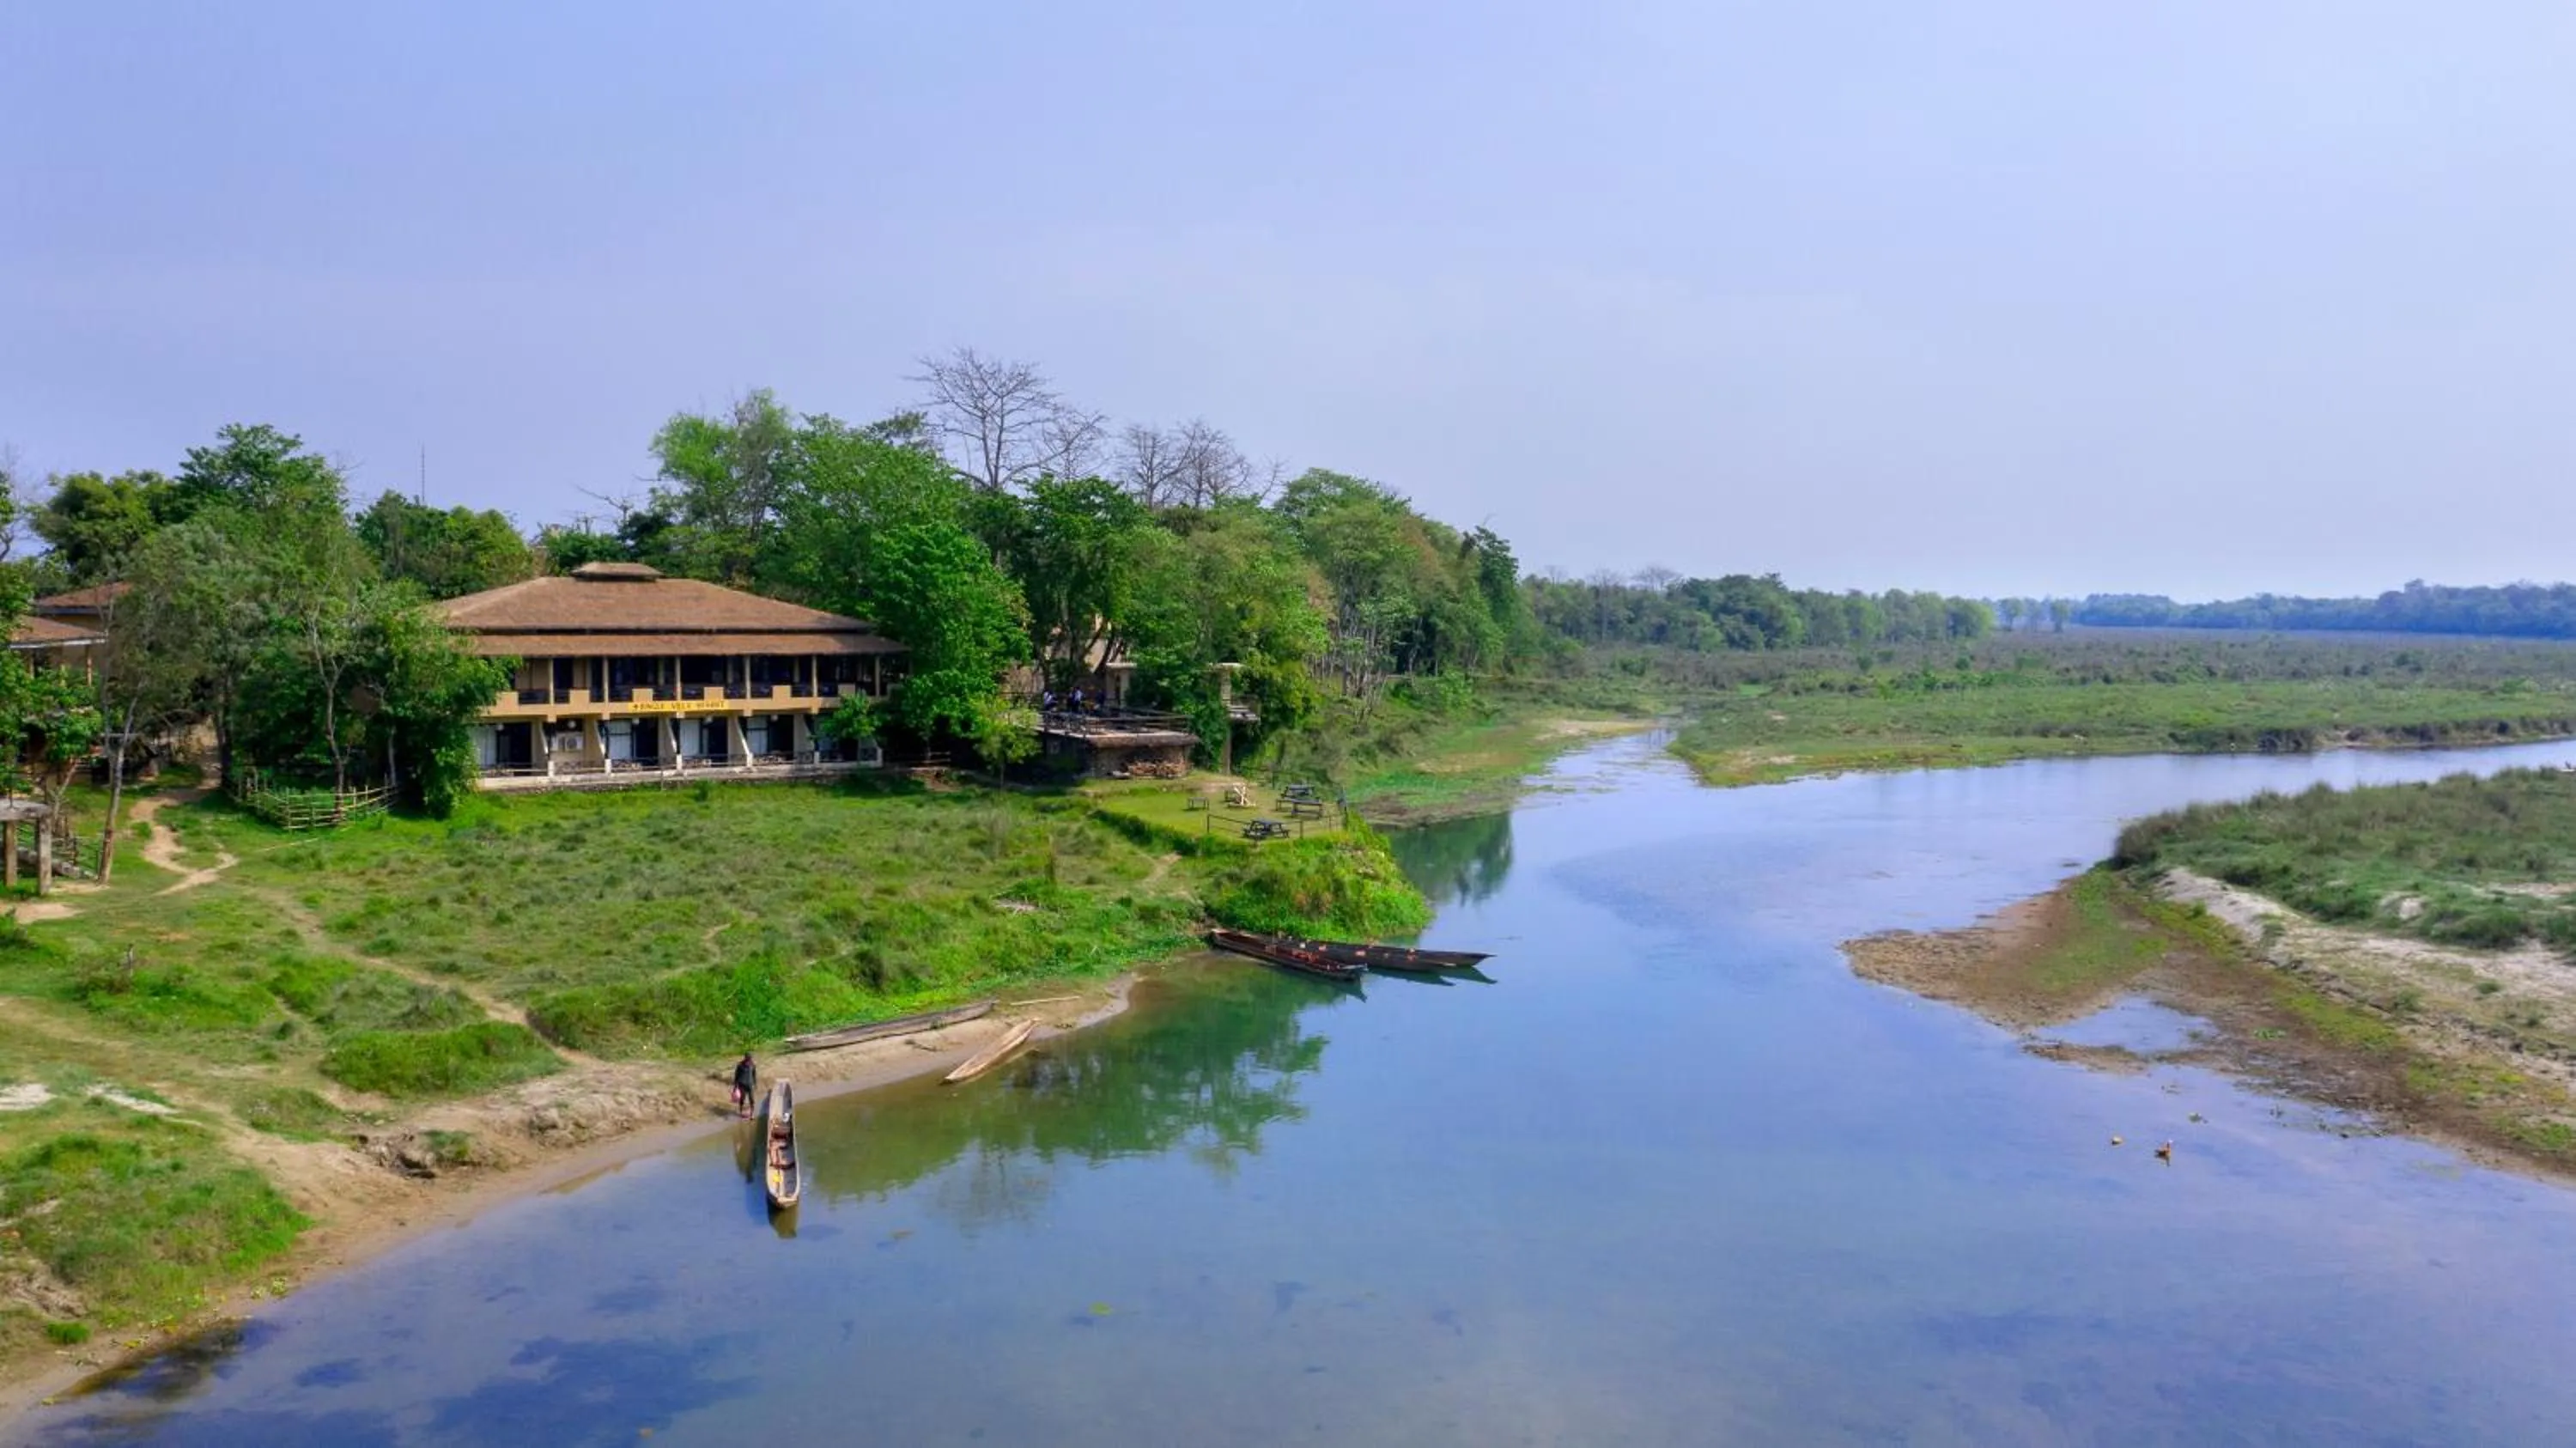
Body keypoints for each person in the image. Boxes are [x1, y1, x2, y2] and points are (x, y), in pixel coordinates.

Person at [731, 1051, 757, 1117]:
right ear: (745, 1058)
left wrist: (755, 1084)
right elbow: (736, 1076)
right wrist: (735, 1087)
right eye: (748, 1058)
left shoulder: (753, 1065)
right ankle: (741, 1111)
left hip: (750, 1085)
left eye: (750, 1058)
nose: (749, 1059)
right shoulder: (740, 1065)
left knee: (752, 1099)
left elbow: (754, 1075)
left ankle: (752, 1114)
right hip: (742, 1085)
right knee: (742, 1099)